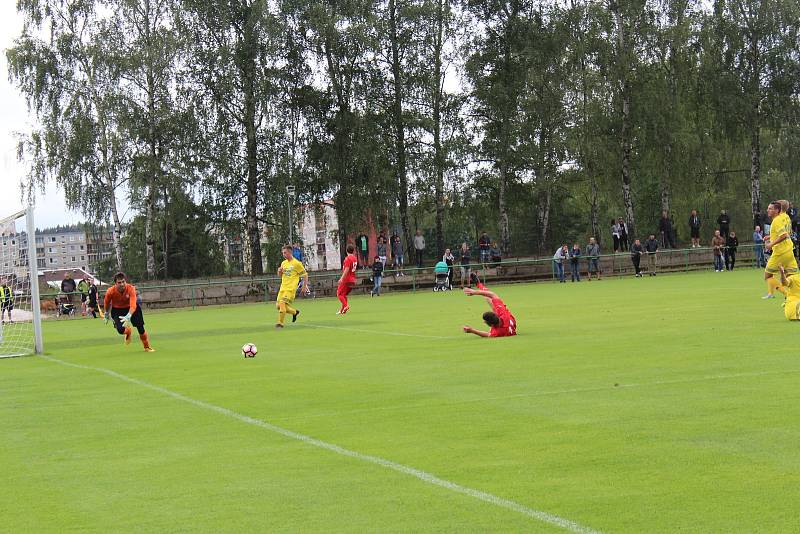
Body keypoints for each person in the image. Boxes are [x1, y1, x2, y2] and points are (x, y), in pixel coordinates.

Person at [103, 272, 154, 352]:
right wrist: (106, 313)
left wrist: (129, 315)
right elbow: (106, 303)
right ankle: (128, 331)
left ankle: (146, 347)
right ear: (115, 283)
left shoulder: (131, 288)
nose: (122, 284)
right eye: (119, 282)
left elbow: (133, 305)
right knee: (120, 330)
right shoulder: (110, 291)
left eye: (123, 281)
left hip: (131, 308)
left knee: (140, 327)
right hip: (117, 310)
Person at [462, 273, 517, 338]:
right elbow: (493, 295)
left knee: (488, 297)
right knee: (488, 297)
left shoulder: (497, 332)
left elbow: (488, 335)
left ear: (491, 325)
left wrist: (472, 330)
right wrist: (475, 292)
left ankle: (479, 285)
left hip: (508, 321)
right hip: (507, 318)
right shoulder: (503, 313)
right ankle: (479, 285)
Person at [763, 200, 797, 299]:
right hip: (789, 250)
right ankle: (795, 296)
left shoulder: (777, 219)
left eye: (770, 208)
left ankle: (787, 294)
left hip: (780, 252)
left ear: (778, 209)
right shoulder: (787, 217)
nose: (768, 210)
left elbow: (783, 235)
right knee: (791, 277)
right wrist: (770, 236)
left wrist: (770, 244)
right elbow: (786, 232)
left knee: (768, 276)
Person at [275, 245, 310, 328]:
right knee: (278, 306)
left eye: (285, 253)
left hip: (290, 289)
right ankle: (294, 312)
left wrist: (304, 287)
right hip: (283, 288)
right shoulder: (283, 263)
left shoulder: (297, 263)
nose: (283, 254)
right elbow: (280, 275)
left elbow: (305, 275)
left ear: (290, 252)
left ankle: (280, 323)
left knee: (282, 304)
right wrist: (279, 271)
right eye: (283, 253)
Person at [337, 244, 359, 314]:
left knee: (339, 294)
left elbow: (346, 269)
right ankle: (342, 310)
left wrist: (341, 278)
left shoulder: (347, 259)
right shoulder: (355, 258)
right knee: (343, 295)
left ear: (346, 250)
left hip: (346, 279)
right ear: (353, 251)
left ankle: (346, 306)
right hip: (352, 279)